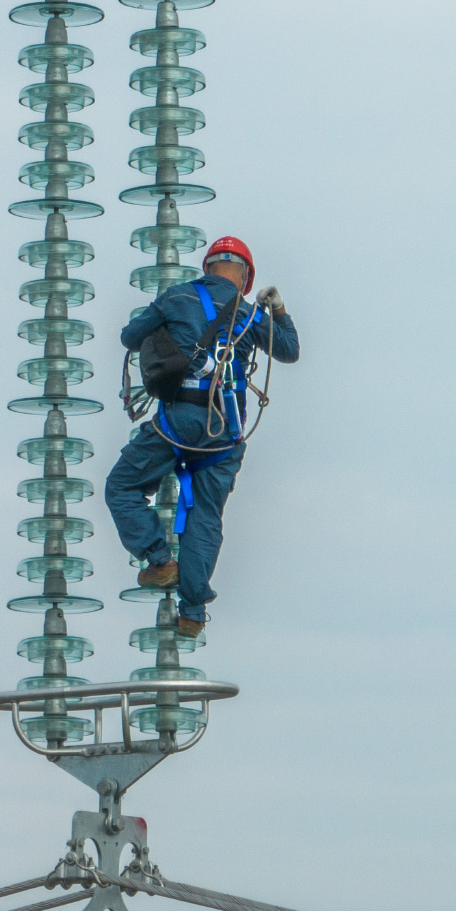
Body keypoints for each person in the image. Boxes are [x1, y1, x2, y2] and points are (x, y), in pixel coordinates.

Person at [105, 237, 300, 637]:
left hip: (178, 423)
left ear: (207, 266)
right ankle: (192, 612)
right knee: (205, 517)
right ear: (245, 278)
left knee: (122, 487)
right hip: (224, 434)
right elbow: (289, 350)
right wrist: (277, 307)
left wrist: (162, 326)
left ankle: (160, 562)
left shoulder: (175, 298)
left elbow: (128, 338)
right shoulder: (251, 315)